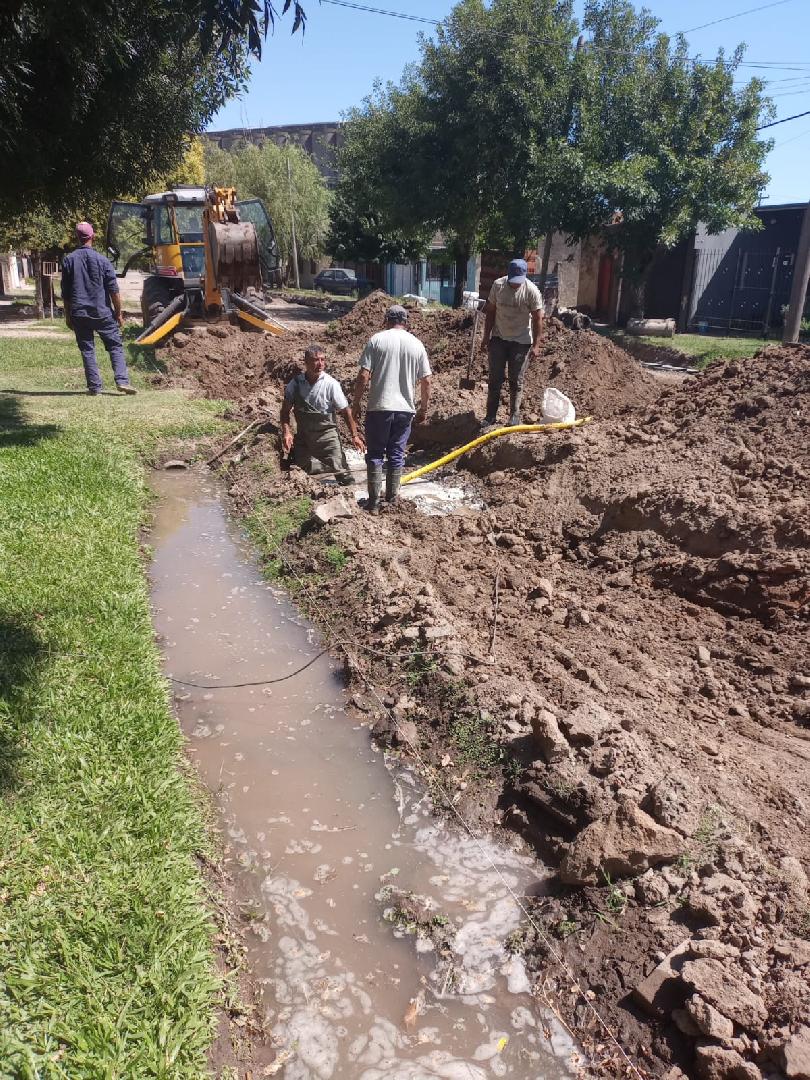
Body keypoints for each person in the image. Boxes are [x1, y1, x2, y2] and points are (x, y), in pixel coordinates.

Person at [351, 304, 431, 512]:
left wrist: (356, 403)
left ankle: (374, 502)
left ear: (386, 320)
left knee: (376, 453)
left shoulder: (377, 340)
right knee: (396, 453)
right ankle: (392, 499)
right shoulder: (417, 345)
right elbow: (427, 380)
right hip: (405, 409)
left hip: (379, 406)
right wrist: (423, 409)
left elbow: (363, 376)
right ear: (405, 322)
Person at [61, 222, 136, 396]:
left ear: (77, 238)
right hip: (102, 313)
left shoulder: (69, 260)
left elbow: (66, 294)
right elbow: (114, 291)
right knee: (115, 346)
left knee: (87, 349)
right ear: (93, 237)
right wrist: (118, 313)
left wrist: (68, 316)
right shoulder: (103, 260)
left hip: (79, 313)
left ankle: (95, 387)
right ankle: (122, 381)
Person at [281, 345, 365, 485]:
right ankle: (326, 466)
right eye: (315, 360)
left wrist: (354, 436)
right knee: (300, 469)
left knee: (343, 474)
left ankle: (348, 495)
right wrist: (286, 432)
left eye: (322, 360)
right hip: (304, 436)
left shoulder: (331, 384)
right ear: (306, 362)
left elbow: (345, 412)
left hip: (327, 436)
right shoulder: (295, 384)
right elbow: (285, 411)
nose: (320, 364)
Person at [480, 257, 543, 428]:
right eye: (512, 281)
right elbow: (490, 312)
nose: (515, 285)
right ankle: (490, 416)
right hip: (499, 338)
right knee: (495, 379)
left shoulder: (531, 291)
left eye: (518, 281)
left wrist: (536, 345)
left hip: (521, 341)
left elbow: (538, 318)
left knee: (516, 380)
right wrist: (486, 337)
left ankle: (514, 416)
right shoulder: (498, 286)